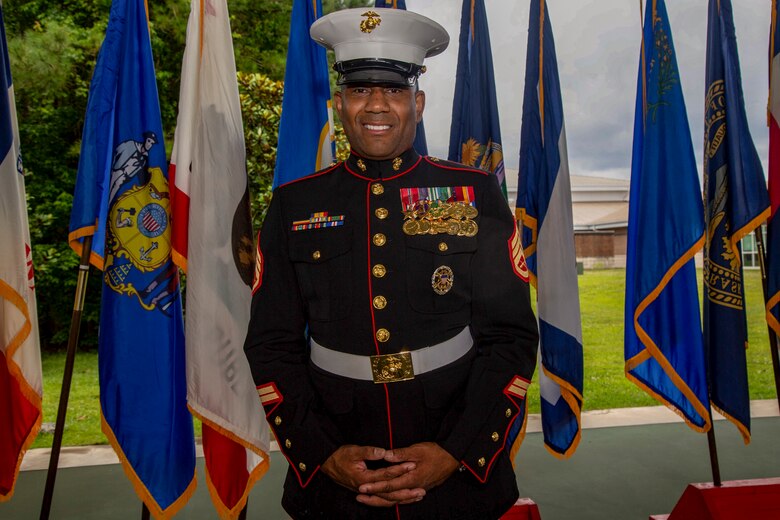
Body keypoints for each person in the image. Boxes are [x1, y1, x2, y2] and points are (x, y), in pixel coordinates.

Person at [244, 8, 538, 519]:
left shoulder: (470, 192)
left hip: (454, 459)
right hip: (339, 463)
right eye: (359, 91)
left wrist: (456, 450)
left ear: (417, 103)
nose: (376, 105)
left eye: (394, 91)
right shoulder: (295, 205)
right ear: (339, 103)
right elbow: (272, 345)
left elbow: (509, 338)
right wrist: (321, 454)